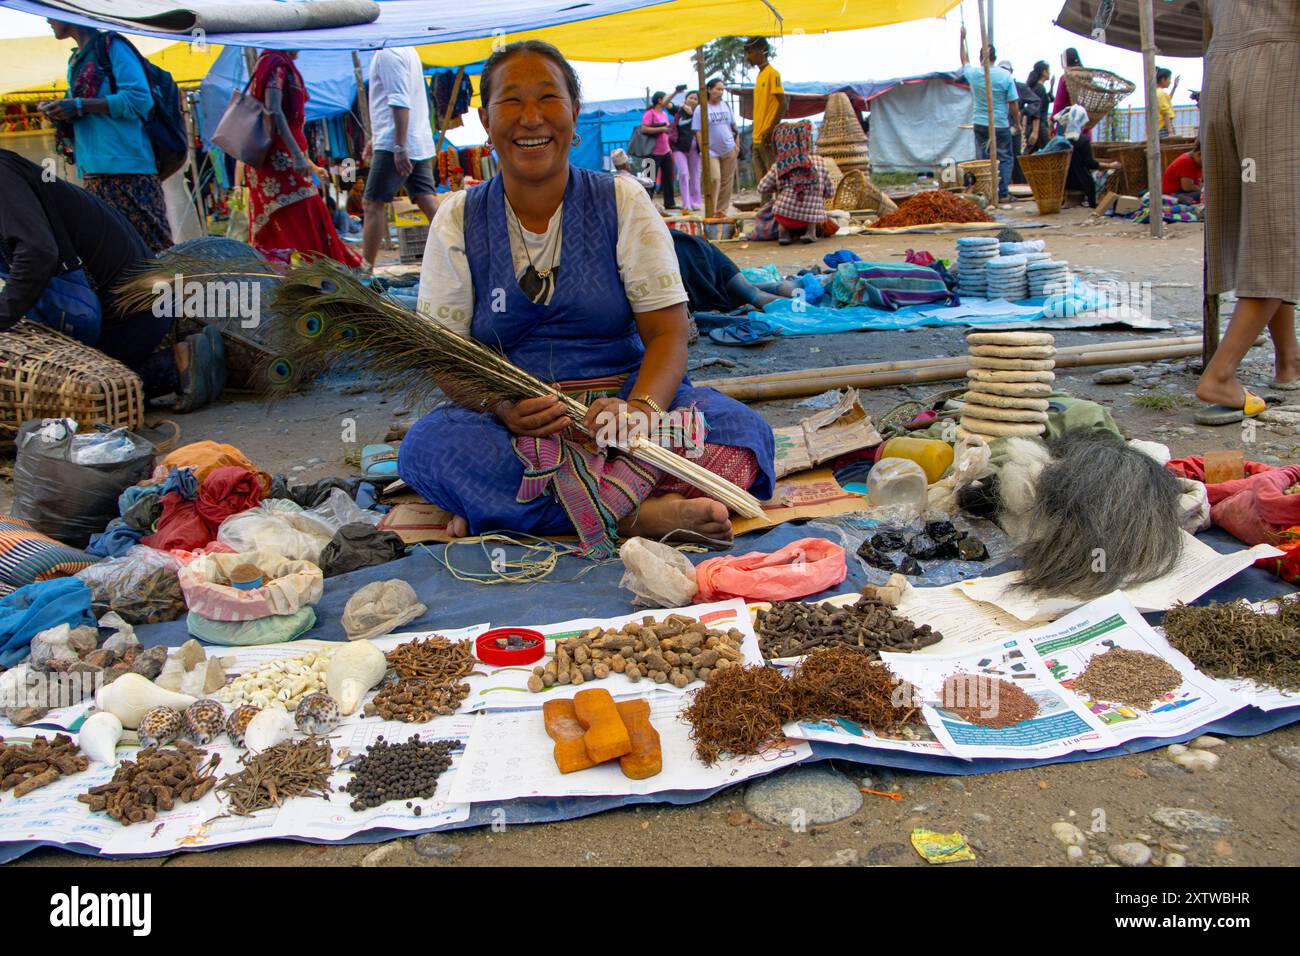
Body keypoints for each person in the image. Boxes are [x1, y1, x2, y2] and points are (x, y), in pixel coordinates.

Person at [401, 41, 774, 554]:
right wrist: (503, 405)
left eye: (548, 98)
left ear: (574, 114)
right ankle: (636, 515)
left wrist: (639, 410)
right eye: (511, 102)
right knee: (429, 448)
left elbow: (667, 333)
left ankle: (527, 513)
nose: (531, 119)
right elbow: (445, 355)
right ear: (486, 121)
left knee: (743, 432)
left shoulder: (622, 201)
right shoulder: (458, 217)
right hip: (513, 426)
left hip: (624, 407)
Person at [0, 149, 222, 411]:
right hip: (128, 306)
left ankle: (174, 364)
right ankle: (172, 364)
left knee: (58, 400)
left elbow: (38, 251)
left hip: (130, 314)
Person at [1195, 0, 1300, 417]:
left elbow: (1207, 28)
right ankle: (1220, 376)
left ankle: (1289, 361)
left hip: (1219, 71)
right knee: (1282, 227)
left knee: (1261, 222)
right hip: (1279, 66)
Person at [40, 21, 172, 256]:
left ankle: (174, 294)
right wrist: (59, 109)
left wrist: (80, 106)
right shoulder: (76, 60)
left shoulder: (112, 46)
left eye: (50, 13)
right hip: (94, 174)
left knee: (154, 254)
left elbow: (140, 99)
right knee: (116, 257)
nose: (47, 20)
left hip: (129, 172)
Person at [245, 48, 360, 267]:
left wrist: (307, 161)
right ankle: (311, 268)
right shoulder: (275, 64)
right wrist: (297, 155)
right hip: (279, 159)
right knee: (300, 212)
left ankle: (306, 268)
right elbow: (274, 110)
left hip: (286, 153)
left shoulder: (277, 63)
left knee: (302, 211)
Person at [361, 45, 439, 273]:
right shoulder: (407, 50)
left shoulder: (388, 53)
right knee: (427, 200)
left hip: (397, 141)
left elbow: (399, 101)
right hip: (413, 139)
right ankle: (463, 255)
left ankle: (365, 272)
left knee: (372, 204)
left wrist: (398, 145)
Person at [959, 27, 1020, 206]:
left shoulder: (975, 74)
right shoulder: (1005, 76)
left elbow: (964, 60)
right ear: (995, 57)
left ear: (981, 58)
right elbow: (1013, 104)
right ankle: (1002, 192)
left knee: (982, 159)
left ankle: (983, 192)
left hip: (979, 123)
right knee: (1005, 158)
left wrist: (962, 39)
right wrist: (1017, 123)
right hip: (1000, 124)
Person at [756, 121, 834, 245]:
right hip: (811, 216)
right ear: (807, 142)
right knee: (815, 204)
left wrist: (777, 188)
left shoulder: (779, 166)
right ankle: (810, 232)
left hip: (784, 216)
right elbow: (830, 192)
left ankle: (784, 233)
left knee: (780, 204)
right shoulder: (820, 161)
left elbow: (761, 188)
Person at [1054, 104, 1120, 207]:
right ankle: (1092, 203)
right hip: (1080, 183)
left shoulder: (1059, 140)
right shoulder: (1082, 140)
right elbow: (1090, 163)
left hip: (1064, 183)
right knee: (1098, 178)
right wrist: (1110, 165)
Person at [692, 77, 740, 215]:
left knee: (727, 181)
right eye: (717, 89)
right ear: (709, 89)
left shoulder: (726, 106)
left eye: (722, 90)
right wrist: (703, 150)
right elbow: (698, 131)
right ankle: (711, 210)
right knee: (714, 178)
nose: (720, 92)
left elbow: (733, 126)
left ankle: (721, 210)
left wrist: (737, 145)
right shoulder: (701, 109)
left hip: (729, 147)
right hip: (711, 150)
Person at [745, 36, 786, 182]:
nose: (748, 56)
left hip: (767, 138)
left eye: (750, 52)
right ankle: (765, 205)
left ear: (760, 51)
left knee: (774, 180)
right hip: (757, 138)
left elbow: (783, 104)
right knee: (762, 184)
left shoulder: (773, 74)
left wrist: (771, 131)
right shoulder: (760, 76)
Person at [639, 90, 678, 211]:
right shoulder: (649, 113)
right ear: (660, 100)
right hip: (651, 152)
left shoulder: (664, 114)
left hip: (665, 151)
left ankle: (669, 203)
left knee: (668, 178)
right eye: (665, 98)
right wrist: (662, 129)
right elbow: (644, 129)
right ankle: (646, 204)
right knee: (649, 181)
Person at [668, 89, 703, 214]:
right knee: (683, 173)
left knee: (695, 175)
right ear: (685, 99)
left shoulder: (700, 113)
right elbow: (667, 103)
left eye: (695, 99)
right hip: (679, 148)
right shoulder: (678, 110)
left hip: (694, 148)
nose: (692, 100)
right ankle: (686, 203)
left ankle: (696, 202)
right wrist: (675, 92)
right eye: (690, 98)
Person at [1025, 60, 1053, 152]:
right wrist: (1035, 131)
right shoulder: (1040, 88)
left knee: (1032, 151)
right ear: (1044, 72)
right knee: (1048, 152)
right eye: (1048, 70)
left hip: (1034, 126)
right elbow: (1036, 110)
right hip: (1038, 126)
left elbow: (1047, 100)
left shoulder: (1036, 88)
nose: (1049, 73)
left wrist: (1052, 87)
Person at [1156, 67, 1180, 138]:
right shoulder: (1161, 93)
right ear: (1163, 80)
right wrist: (1170, 131)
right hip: (1164, 126)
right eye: (1169, 79)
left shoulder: (1156, 92)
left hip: (1158, 126)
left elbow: (1168, 99)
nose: (1170, 81)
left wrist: (1174, 87)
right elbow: (1165, 113)